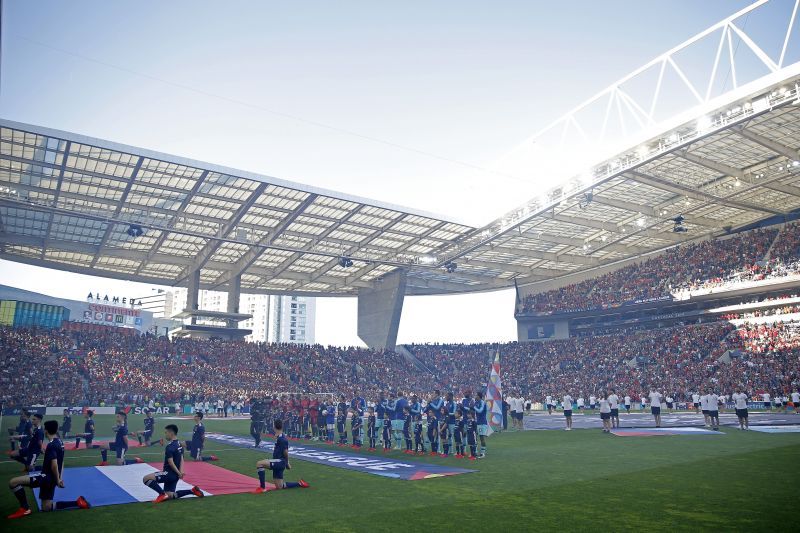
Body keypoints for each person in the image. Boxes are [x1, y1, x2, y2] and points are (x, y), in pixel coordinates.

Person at [7, 420, 90, 519]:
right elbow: (61, 462)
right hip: (51, 480)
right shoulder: (60, 442)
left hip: (45, 478)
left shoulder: (51, 445)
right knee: (46, 507)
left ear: (46, 431)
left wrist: (58, 479)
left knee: (13, 482)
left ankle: (25, 508)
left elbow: (54, 465)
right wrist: (59, 478)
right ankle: (78, 502)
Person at [142, 424, 204, 503]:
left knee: (146, 478)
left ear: (171, 433)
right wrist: (180, 472)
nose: (165, 435)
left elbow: (170, 463)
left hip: (168, 474)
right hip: (175, 476)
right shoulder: (180, 444)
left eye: (166, 433)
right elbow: (182, 459)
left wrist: (179, 473)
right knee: (170, 495)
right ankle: (192, 491)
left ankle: (161, 494)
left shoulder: (170, 446)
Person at [254, 419, 309, 493]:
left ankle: (262, 488)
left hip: (280, 462)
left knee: (259, 463)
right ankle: (299, 483)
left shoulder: (282, 439)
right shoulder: (280, 436)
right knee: (279, 486)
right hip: (279, 462)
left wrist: (287, 463)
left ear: (274, 427)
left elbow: (285, 452)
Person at [474, 391, 489, 458]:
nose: (475, 396)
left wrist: (473, 407)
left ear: (479, 396)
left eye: (476, 395)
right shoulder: (476, 402)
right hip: (478, 422)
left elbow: (480, 411)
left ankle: (483, 453)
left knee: (482, 438)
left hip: (482, 422)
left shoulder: (482, 402)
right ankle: (475, 452)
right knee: (475, 437)